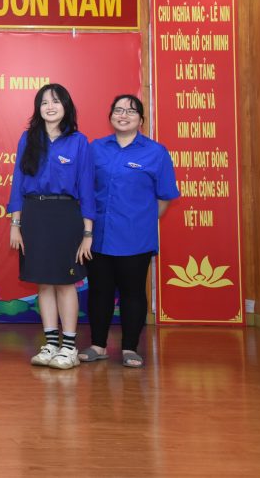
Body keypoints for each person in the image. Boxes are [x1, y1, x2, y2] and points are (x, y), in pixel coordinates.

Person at [81, 94, 179, 368]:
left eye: (131, 111)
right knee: (99, 291)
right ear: (110, 116)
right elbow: (85, 190)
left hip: (136, 237)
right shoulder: (95, 148)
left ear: (141, 119)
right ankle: (98, 345)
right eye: (119, 110)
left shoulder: (155, 152)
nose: (123, 115)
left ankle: (129, 348)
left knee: (132, 292)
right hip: (98, 235)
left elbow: (164, 197)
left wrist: (140, 220)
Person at [8, 83, 95, 370]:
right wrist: (16, 224)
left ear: (66, 106)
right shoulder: (28, 138)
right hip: (34, 214)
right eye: (44, 102)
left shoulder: (79, 141)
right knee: (43, 282)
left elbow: (86, 188)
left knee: (65, 283)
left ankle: (69, 347)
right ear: (38, 108)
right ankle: (50, 344)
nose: (50, 107)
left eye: (56, 101)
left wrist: (87, 233)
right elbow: (18, 183)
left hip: (66, 215)